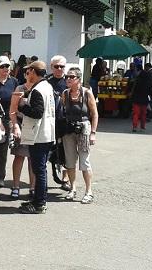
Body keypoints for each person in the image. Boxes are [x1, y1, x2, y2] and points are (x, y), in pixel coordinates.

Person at [15, 60, 55, 214]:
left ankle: (39, 204)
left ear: (33, 71)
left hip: (39, 135)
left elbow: (37, 113)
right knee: (41, 169)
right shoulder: (47, 87)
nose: (27, 74)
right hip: (46, 133)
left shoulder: (38, 90)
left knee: (39, 170)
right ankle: (38, 200)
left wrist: (23, 106)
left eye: (28, 71)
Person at [61, 67, 98, 204]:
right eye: (67, 77)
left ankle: (89, 191)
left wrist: (93, 133)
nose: (68, 79)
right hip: (69, 130)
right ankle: (72, 188)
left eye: (72, 77)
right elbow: (62, 112)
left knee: (84, 161)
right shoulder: (65, 94)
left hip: (84, 129)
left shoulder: (87, 93)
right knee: (70, 161)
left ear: (79, 79)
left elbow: (94, 114)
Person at [0, 55, 18, 188]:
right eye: (2, 66)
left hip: (7, 119)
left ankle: (1, 177)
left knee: (3, 150)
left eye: (7, 66)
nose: (5, 69)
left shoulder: (14, 82)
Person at [9, 72, 36, 199]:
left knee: (33, 158)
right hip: (21, 124)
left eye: (33, 73)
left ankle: (33, 187)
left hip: (34, 126)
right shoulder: (19, 88)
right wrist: (15, 126)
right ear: (25, 75)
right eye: (28, 73)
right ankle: (15, 186)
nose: (30, 76)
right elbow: (13, 109)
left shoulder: (38, 88)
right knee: (19, 156)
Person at [47, 55, 71, 191]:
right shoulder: (46, 81)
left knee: (66, 150)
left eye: (62, 66)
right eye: (56, 66)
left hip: (64, 121)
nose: (59, 69)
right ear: (51, 67)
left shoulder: (69, 80)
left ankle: (65, 179)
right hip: (49, 121)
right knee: (48, 150)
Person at [131, 65, 152, 133]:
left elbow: (133, 89)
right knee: (143, 114)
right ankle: (142, 127)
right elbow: (151, 89)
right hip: (144, 99)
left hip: (136, 99)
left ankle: (134, 127)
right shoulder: (148, 81)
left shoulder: (137, 81)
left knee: (136, 114)